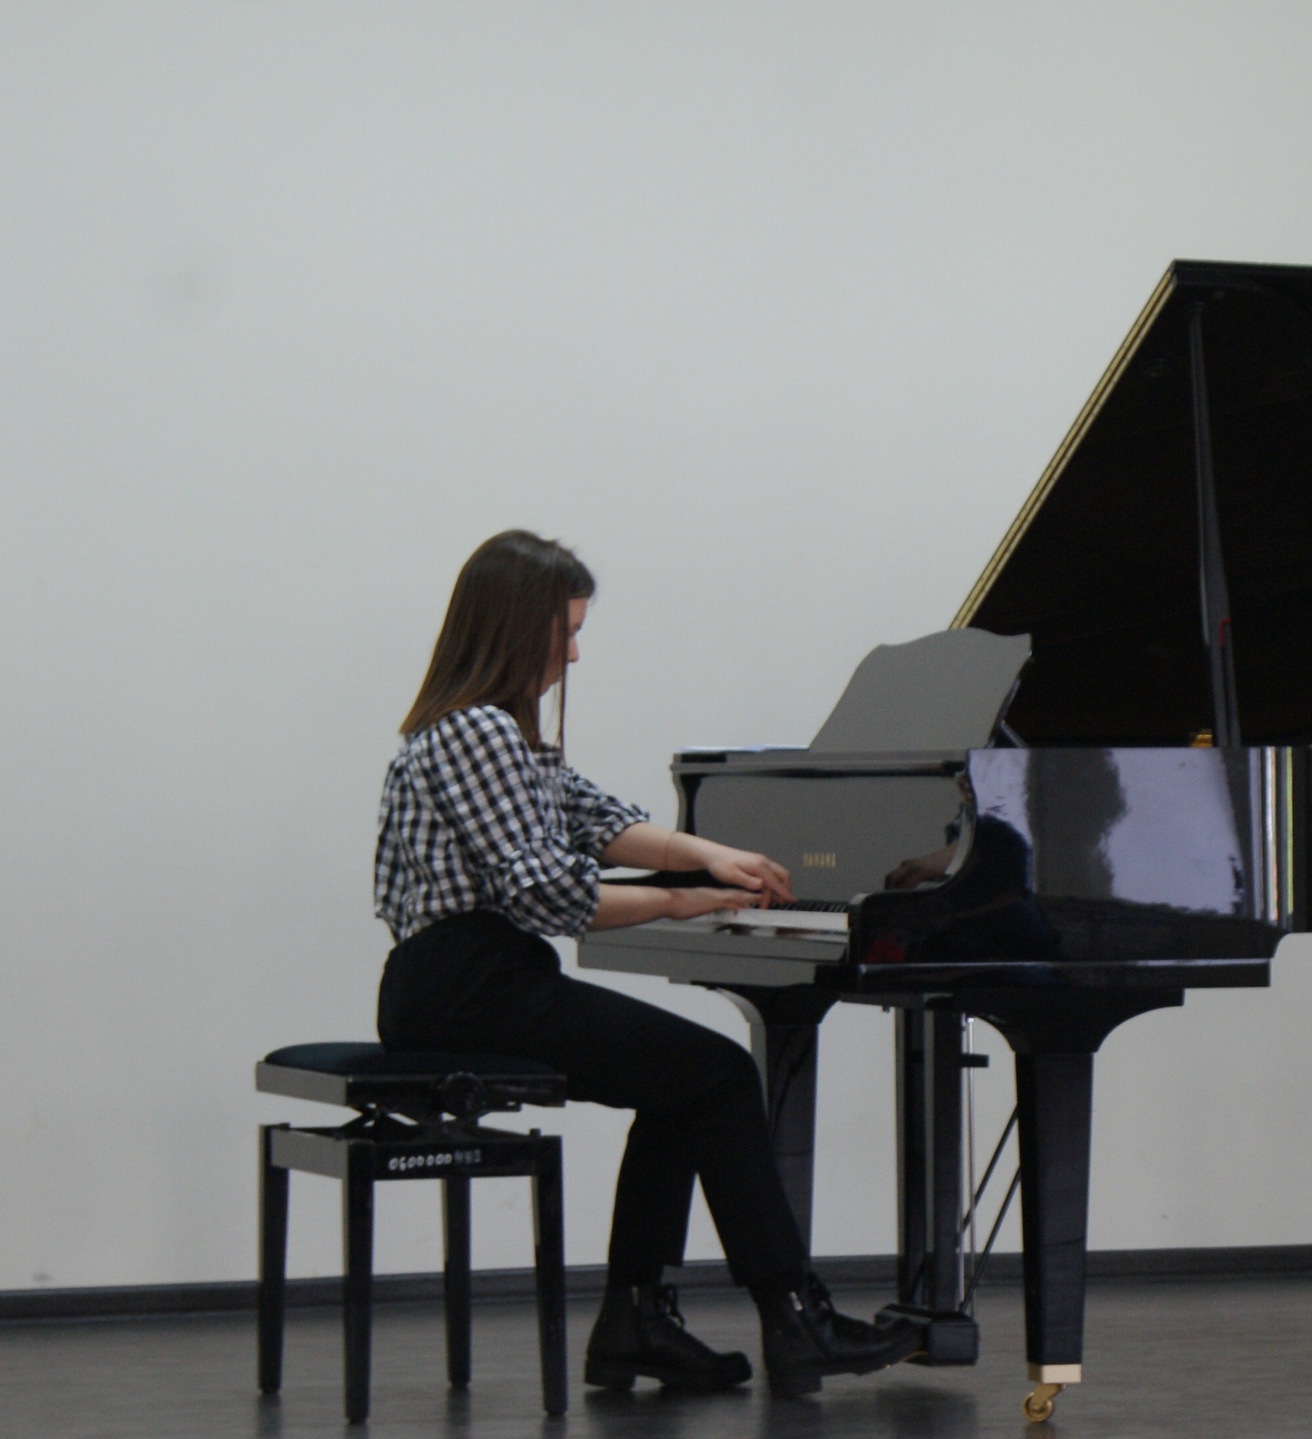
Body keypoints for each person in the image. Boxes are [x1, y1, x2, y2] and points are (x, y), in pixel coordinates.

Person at [371, 529, 911, 1396]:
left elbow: (598, 818)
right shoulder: (477, 730)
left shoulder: (494, 733)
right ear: (515, 628)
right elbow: (548, 894)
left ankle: (637, 1324)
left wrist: (711, 854)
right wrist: (680, 898)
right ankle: (793, 1317)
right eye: (565, 633)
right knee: (718, 1073)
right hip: (466, 984)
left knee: (682, 1081)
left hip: (465, 980)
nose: (573, 654)